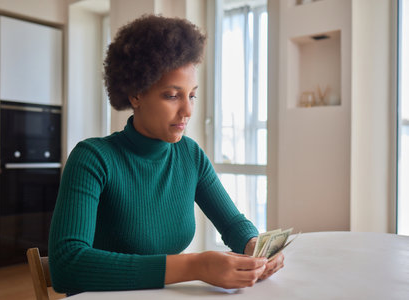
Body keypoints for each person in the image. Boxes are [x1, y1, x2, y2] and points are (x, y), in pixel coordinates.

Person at [48, 14, 284, 295]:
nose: (187, 111)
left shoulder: (190, 155)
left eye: (191, 95)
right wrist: (196, 266)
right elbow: (66, 266)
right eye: (172, 96)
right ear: (136, 95)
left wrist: (254, 248)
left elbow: (232, 223)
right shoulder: (93, 159)